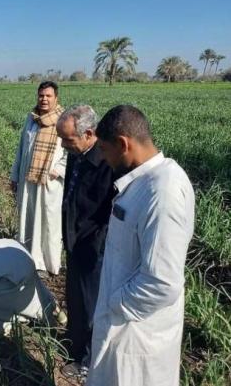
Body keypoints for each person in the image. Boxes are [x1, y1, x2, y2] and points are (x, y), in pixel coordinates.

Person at [87, 105, 195, 386]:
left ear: (123, 144)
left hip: (136, 333)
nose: (103, 158)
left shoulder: (162, 192)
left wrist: (114, 303)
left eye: (104, 149)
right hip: (123, 324)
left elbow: (161, 283)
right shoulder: (144, 182)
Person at [56, 105, 115, 381]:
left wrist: (95, 244)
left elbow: (109, 213)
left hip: (93, 248)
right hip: (74, 240)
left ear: (89, 133)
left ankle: (88, 363)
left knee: (92, 306)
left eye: (67, 139)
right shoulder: (77, 153)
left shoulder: (107, 162)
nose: (63, 145)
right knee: (75, 300)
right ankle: (75, 346)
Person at [10, 81, 67, 275]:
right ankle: (27, 257)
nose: (44, 99)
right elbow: (21, 148)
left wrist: (58, 169)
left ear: (56, 98)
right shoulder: (31, 119)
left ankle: (46, 264)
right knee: (27, 217)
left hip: (49, 183)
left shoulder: (64, 120)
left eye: (48, 96)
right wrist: (15, 175)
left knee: (48, 222)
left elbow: (72, 152)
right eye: (41, 95)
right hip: (28, 178)